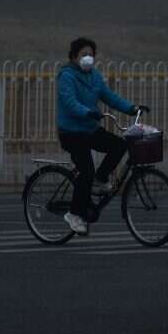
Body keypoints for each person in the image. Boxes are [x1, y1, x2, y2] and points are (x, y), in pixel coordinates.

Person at [56, 36, 149, 235]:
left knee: (119, 145)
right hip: (71, 133)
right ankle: (74, 214)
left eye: (91, 55)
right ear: (74, 57)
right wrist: (87, 112)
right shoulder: (66, 76)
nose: (88, 58)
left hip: (90, 130)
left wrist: (132, 108)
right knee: (86, 171)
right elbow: (70, 102)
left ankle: (101, 178)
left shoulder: (95, 77)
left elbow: (109, 96)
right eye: (84, 54)